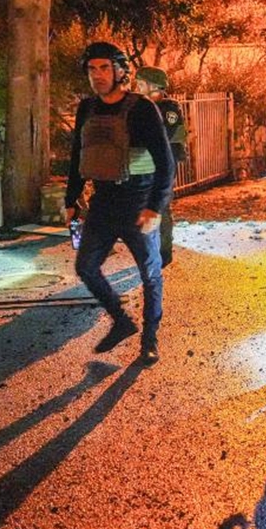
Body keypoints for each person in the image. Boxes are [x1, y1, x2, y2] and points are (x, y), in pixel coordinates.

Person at [64, 42, 174, 366]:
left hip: (139, 202)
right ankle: (122, 321)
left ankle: (150, 340)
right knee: (85, 266)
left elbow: (166, 164)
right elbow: (77, 156)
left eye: (103, 68)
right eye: (91, 69)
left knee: (150, 273)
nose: (97, 75)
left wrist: (155, 207)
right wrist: (71, 199)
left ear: (119, 70)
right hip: (103, 202)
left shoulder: (142, 109)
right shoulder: (87, 109)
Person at [134, 66, 188, 268]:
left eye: (140, 84)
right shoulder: (142, 105)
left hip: (162, 166)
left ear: (153, 86)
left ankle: (163, 252)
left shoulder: (168, 109)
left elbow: (165, 136)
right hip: (143, 164)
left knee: (160, 207)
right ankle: (149, 249)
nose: (137, 88)